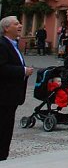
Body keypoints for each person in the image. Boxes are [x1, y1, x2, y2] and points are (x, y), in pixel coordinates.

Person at [0, 16, 35, 161]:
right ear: (6, 28)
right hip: (4, 95)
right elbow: (2, 68)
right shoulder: (2, 45)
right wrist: (23, 71)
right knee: (3, 127)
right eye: (16, 24)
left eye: (20, 23)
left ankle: (3, 155)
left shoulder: (13, 44)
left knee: (7, 127)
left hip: (11, 96)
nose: (20, 26)